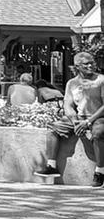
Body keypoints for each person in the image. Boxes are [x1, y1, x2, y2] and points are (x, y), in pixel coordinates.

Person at [38, 47, 104, 186]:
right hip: (79, 118)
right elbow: (67, 105)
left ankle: (100, 172)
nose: (90, 65)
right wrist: (75, 122)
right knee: (53, 128)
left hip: (97, 117)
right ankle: (51, 166)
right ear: (77, 66)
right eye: (86, 64)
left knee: (98, 133)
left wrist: (88, 122)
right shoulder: (72, 83)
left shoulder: (101, 80)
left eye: (92, 63)